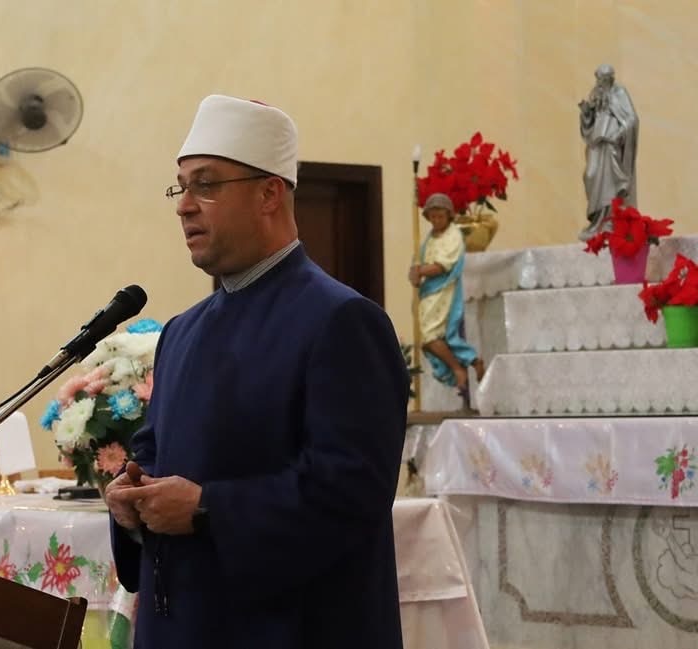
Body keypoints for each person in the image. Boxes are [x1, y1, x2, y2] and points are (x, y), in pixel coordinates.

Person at [104, 94, 410, 648]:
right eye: (180, 187)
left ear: (269, 193)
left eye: (205, 185)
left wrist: (205, 508)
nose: (184, 206)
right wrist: (130, 500)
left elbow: (350, 493)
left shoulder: (342, 321)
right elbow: (153, 455)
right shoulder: (181, 331)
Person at [409, 193, 484, 399]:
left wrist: (421, 271)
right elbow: (420, 263)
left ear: (448, 215)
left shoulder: (453, 236)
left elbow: (442, 266)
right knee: (427, 338)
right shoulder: (430, 237)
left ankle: (460, 368)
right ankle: (470, 363)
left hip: (444, 290)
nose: (436, 220)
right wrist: (415, 274)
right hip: (429, 292)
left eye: (440, 216)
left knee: (430, 336)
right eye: (432, 217)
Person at [578, 63, 639, 241]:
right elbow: (591, 120)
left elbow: (632, 119)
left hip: (611, 144)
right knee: (590, 175)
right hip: (596, 143)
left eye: (602, 79)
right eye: (598, 79)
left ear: (610, 79)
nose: (599, 82)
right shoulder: (596, 92)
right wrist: (586, 114)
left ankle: (609, 221)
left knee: (611, 182)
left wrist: (619, 133)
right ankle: (597, 221)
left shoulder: (619, 93)